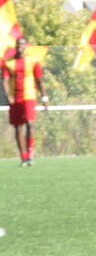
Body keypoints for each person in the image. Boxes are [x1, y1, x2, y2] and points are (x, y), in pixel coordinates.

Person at [2, 37, 48, 166]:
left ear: (26, 46)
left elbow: (39, 80)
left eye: (22, 44)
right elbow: (5, 81)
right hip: (15, 98)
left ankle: (30, 153)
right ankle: (24, 157)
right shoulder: (8, 62)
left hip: (29, 96)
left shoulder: (33, 61)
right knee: (18, 127)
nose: (19, 46)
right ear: (15, 46)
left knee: (30, 122)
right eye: (18, 44)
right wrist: (8, 96)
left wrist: (44, 98)